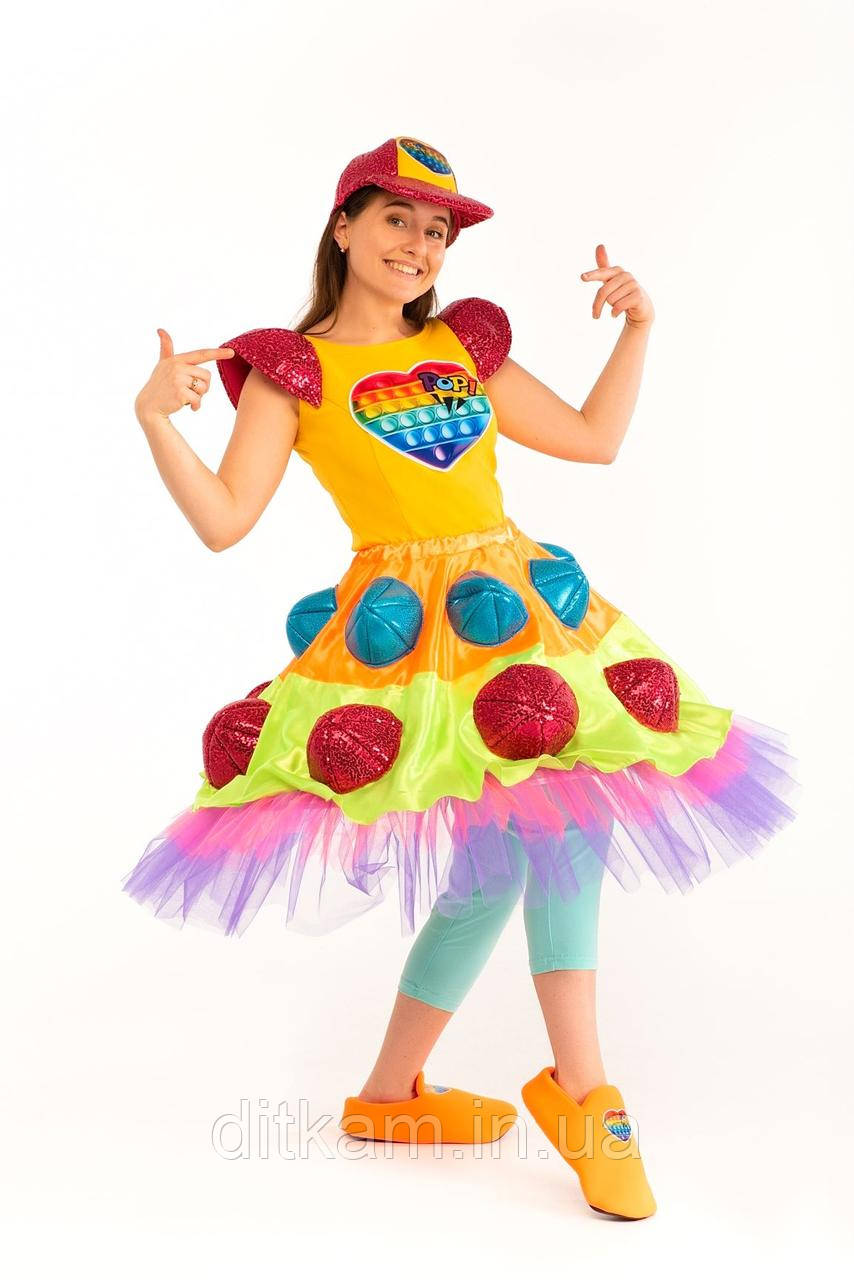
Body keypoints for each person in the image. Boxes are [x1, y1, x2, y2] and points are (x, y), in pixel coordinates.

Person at [122, 136, 800, 1220]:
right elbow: (224, 519)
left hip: (515, 611)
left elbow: (592, 439)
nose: (419, 243)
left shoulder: (461, 346)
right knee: (552, 832)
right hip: (406, 643)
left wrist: (638, 328)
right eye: (397, 218)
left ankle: (389, 1096)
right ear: (343, 225)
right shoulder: (293, 371)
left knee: (513, 854)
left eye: (436, 229)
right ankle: (585, 1097)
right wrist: (157, 418)